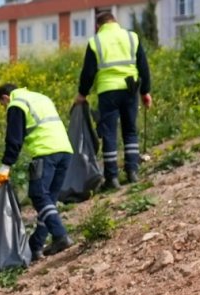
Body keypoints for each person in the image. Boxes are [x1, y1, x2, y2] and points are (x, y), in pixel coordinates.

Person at [0, 83, 76, 261]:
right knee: (49, 200)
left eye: (2, 105)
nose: (5, 108)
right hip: (65, 150)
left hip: (45, 153)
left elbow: (14, 138)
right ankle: (36, 246)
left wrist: (6, 165)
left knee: (38, 195)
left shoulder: (17, 104)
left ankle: (60, 235)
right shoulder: (40, 97)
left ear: (6, 98)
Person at [76, 10, 153, 191]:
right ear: (115, 21)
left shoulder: (96, 42)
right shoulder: (132, 37)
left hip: (108, 91)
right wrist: (145, 92)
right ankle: (132, 171)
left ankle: (112, 177)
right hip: (130, 89)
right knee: (130, 130)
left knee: (109, 133)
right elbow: (143, 66)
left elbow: (88, 72)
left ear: (98, 26)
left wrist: (82, 94)